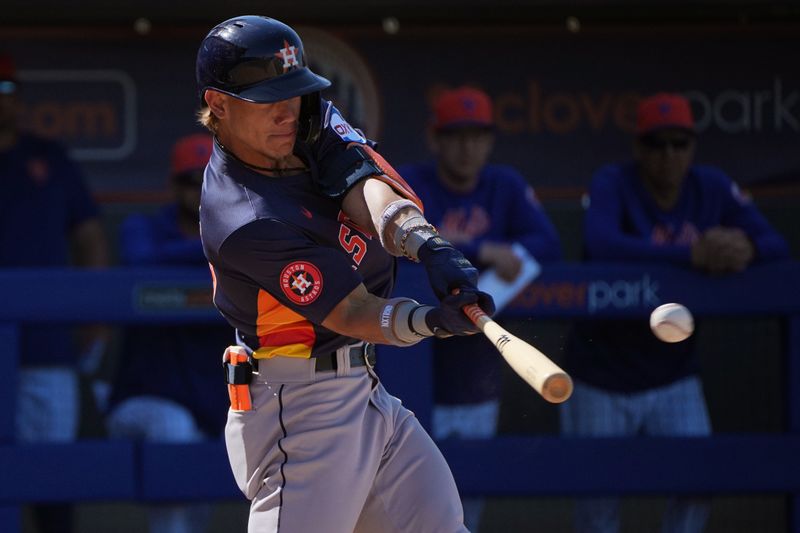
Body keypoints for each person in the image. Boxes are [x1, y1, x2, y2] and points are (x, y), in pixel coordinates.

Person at [195, 15, 495, 532]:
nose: (288, 111)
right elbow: (353, 310)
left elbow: (362, 181)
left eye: (293, 92)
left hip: (365, 389)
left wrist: (426, 243)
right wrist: (431, 322)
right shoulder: (242, 217)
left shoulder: (299, 122)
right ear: (218, 104)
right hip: (301, 409)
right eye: (269, 98)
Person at [560, 92, 791, 533]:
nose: (668, 155)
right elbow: (602, 243)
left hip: (674, 374)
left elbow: (776, 245)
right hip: (601, 373)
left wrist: (748, 246)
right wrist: (692, 253)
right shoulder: (614, 181)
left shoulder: (713, 187)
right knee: (597, 502)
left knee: (697, 482)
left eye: (679, 143)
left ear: (692, 148)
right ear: (638, 148)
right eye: (657, 143)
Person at [398, 86, 562, 531]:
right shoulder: (413, 182)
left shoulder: (504, 186)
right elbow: (387, 242)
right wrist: (481, 248)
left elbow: (549, 244)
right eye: (456, 135)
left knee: (468, 501)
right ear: (435, 138)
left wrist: (501, 256)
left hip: (472, 371)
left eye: (477, 135)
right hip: (411, 369)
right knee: (404, 499)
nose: (467, 146)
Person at [0, 52, 110, 533]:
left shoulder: (48, 158)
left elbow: (89, 238)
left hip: (45, 348)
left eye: (5, 90)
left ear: (19, 97)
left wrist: (93, 314)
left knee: (53, 481)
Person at [105, 133, 230, 533]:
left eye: (208, 179)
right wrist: (215, 245)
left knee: (197, 505)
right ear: (173, 185)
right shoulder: (144, 227)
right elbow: (140, 258)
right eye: (189, 180)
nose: (199, 189)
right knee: (173, 429)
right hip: (141, 401)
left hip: (211, 402)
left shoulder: (240, 239)